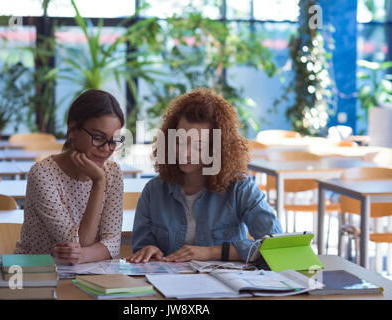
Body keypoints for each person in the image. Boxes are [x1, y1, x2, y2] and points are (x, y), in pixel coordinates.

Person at [127, 88, 282, 264]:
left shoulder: (240, 189)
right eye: (179, 141)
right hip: (166, 288)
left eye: (198, 147)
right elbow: (141, 247)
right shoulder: (154, 191)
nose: (185, 153)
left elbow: (277, 245)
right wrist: (148, 250)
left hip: (227, 288)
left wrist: (212, 252)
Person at [15, 89, 125, 265]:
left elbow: (112, 244)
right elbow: (78, 242)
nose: (106, 149)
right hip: (37, 274)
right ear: (73, 130)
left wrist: (82, 255)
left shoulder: (113, 172)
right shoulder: (43, 174)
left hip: (89, 274)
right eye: (98, 138)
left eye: (114, 141)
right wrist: (98, 182)